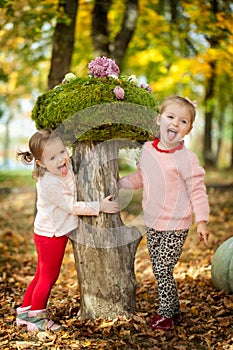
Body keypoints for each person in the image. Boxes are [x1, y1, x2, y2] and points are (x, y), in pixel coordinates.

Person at [119, 96, 210, 331]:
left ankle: (166, 315)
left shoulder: (187, 159)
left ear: (188, 129)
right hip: (153, 221)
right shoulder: (148, 149)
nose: (175, 124)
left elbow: (197, 191)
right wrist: (121, 183)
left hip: (176, 224)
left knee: (162, 268)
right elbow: (141, 178)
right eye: (170, 117)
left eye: (183, 121)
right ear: (159, 119)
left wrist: (202, 221)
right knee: (160, 266)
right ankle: (175, 311)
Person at [16, 129, 119, 332]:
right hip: (51, 235)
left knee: (40, 274)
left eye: (63, 152)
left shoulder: (63, 166)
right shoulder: (48, 183)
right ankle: (37, 318)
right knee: (48, 277)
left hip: (51, 231)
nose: (62, 159)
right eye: (53, 157)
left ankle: (24, 312)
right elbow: (71, 206)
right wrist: (99, 206)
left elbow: (72, 178)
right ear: (41, 163)